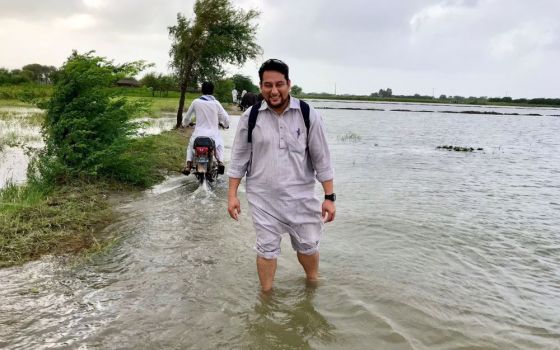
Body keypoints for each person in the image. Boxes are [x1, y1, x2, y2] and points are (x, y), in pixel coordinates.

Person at [227, 59, 336, 292]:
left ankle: (312, 286)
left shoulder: (307, 114)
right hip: (262, 197)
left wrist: (330, 197)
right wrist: (232, 195)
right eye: (268, 85)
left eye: (279, 84)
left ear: (289, 84)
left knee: (308, 246)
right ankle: (265, 299)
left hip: (301, 196)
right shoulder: (251, 116)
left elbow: (322, 159)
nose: (274, 91)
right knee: (266, 249)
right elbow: (239, 159)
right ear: (260, 86)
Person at [181, 81, 230, 175]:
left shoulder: (196, 102)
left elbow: (187, 117)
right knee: (219, 146)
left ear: (202, 90)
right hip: (213, 136)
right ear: (213, 91)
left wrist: (185, 124)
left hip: (198, 136)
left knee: (190, 146)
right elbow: (226, 118)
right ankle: (220, 162)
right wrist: (226, 125)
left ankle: (188, 165)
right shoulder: (216, 104)